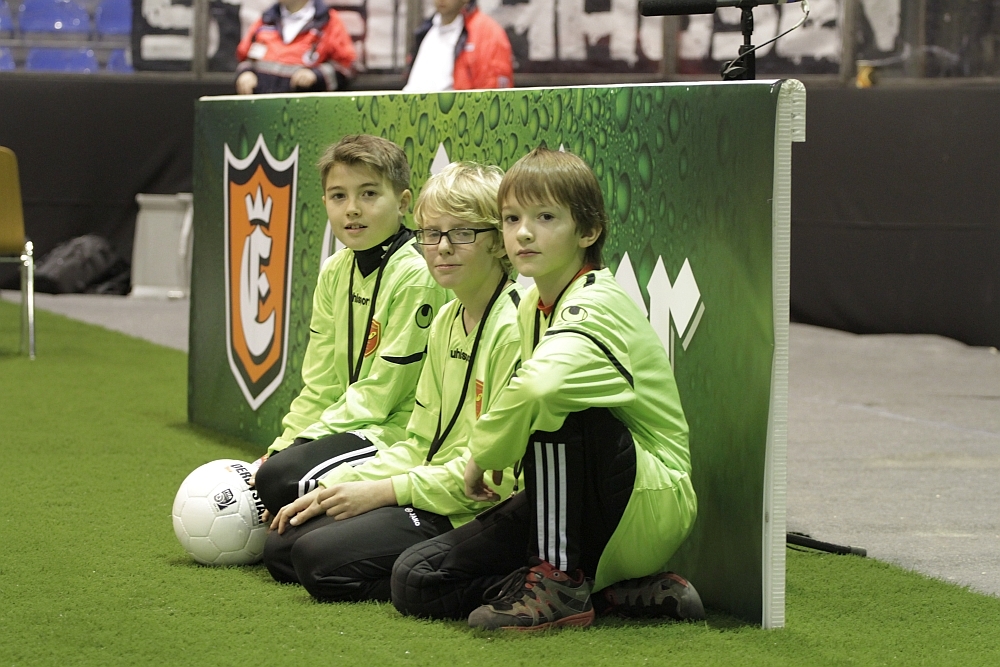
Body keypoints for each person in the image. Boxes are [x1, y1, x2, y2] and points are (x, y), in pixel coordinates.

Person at [391, 147, 705, 630]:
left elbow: (541, 388)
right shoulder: (531, 303)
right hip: (574, 501)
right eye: (511, 218)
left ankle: (559, 581)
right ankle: (609, 591)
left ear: (588, 231)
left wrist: (482, 456)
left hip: (648, 500)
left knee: (560, 404)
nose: (523, 233)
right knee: (416, 579)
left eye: (545, 217)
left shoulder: (598, 301)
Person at [262, 162, 524, 602]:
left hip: (475, 508)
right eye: (431, 233)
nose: (442, 247)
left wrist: (383, 492)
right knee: (281, 548)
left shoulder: (513, 329)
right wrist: (338, 487)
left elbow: (495, 480)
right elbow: (419, 443)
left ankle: (463, 575)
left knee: (315, 559)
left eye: (462, 233)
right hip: (430, 486)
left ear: (498, 241)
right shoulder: (447, 319)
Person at [252, 135, 448, 520]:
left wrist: (301, 444)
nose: (352, 209)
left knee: (279, 480)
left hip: (397, 432)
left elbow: (381, 396)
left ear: (403, 203)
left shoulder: (416, 276)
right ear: (325, 201)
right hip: (352, 426)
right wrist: (282, 444)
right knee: (277, 499)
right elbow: (321, 383)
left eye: (369, 194)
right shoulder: (335, 270)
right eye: (338, 196)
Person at [235, 0, 356, 95]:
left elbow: (346, 68)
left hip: (306, 113)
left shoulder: (328, 22)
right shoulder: (265, 20)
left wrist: (316, 75)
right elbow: (245, 58)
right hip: (262, 111)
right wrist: (245, 73)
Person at [402, 0, 513, 92]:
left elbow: (494, 96)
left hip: (460, 110)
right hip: (414, 108)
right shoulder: (425, 31)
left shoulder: (488, 33)